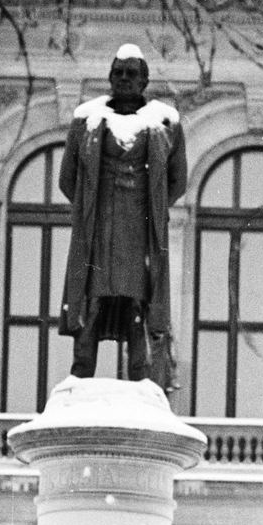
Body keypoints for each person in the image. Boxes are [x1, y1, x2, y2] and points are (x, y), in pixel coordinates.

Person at [58, 43, 187, 394]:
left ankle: (141, 379)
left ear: (145, 79)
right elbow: (67, 178)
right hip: (98, 233)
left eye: (132, 73)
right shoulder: (85, 120)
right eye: (118, 72)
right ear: (110, 77)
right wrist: (90, 209)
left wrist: (153, 209)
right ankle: (80, 373)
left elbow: (178, 180)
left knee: (137, 305)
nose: (125, 79)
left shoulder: (165, 123)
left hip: (139, 234)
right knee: (92, 302)